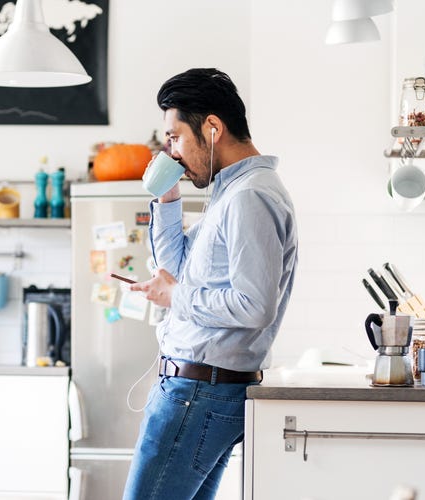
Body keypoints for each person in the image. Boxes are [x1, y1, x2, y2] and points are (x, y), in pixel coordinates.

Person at [122, 68, 298, 499]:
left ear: (213, 128)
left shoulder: (249, 197)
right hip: (196, 391)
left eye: (176, 137)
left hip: (196, 393)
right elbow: (175, 270)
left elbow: (255, 305)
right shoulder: (229, 193)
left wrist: (174, 297)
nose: (172, 152)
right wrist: (166, 198)